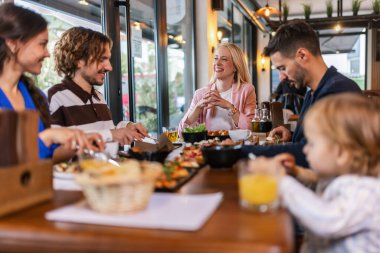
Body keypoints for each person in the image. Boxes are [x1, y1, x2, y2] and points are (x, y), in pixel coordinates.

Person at [248, 93, 380, 252]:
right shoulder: (348, 176)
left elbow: (326, 220)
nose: (305, 149)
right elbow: (323, 182)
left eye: (312, 144)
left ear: (340, 153)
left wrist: (281, 180)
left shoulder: (367, 194)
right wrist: (296, 172)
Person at [242, 20, 361, 167]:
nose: (282, 77)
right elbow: (314, 142)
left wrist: (240, 151)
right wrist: (290, 135)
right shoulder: (313, 92)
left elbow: (309, 153)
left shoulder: (338, 91)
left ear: (302, 55)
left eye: (283, 67)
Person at [0, 3, 104, 161]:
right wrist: (48, 137)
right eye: (42, 44)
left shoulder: (36, 96)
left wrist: (76, 143)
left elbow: (45, 158)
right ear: (13, 44)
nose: (47, 53)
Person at [48, 27, 149, 147]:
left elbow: (105, 135)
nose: (109, 67)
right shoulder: (55, 97)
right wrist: (112, 134)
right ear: (78, 60)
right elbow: (52, 152)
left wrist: (126, 127)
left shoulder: (98, 97)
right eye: (102, 59)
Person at [178, 42, 256, 133]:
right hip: (208, 146)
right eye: (215, 58)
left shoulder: (247, 90)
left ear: (235, 66)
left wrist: (229, 107)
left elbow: (251, 128)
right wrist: (197, 108)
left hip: (235, 146)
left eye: (224, 59)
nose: (217, 63)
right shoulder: (200, 94)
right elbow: (181, 133)